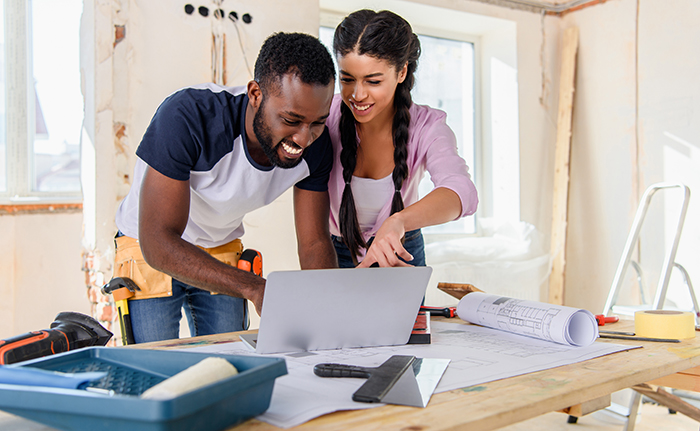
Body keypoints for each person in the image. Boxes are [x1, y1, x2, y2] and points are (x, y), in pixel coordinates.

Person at [112, 32, 338, 343]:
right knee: (155, 368)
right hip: (148, 245)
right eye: (290, 119)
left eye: (317, 122)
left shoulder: (317, 146)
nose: (303, 138)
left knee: (228, 365)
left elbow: (314, 243)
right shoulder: (188, 117)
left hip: (220, 245)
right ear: (255, 94)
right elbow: (158, 240)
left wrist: (329, 312)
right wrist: (254, 287)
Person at [327, 10, 479, 268]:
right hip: (335, 250)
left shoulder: (428, 126)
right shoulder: (325, 115)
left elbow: (462, 192)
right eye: (347, 79)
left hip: (400, 249)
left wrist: (398, 222)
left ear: (401, 72)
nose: (357, 94)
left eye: (373, 80)